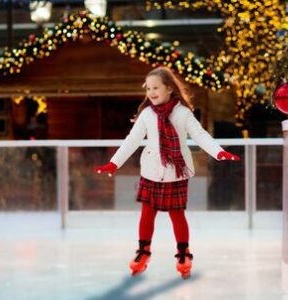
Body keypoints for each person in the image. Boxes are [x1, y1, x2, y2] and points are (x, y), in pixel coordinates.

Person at [94, 66, 240, 279]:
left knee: (177, 214)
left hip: (176, 172)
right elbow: (132, 140)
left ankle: (183, 254)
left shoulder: (182, 113)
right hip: (152, 171)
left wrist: (219, 153)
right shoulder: (147, 114)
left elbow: (200, 135)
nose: (151, 92)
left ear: (169, 89)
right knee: (147, 213)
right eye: (148, 88)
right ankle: (143, 252)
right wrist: (114, 163)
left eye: (156, 88)